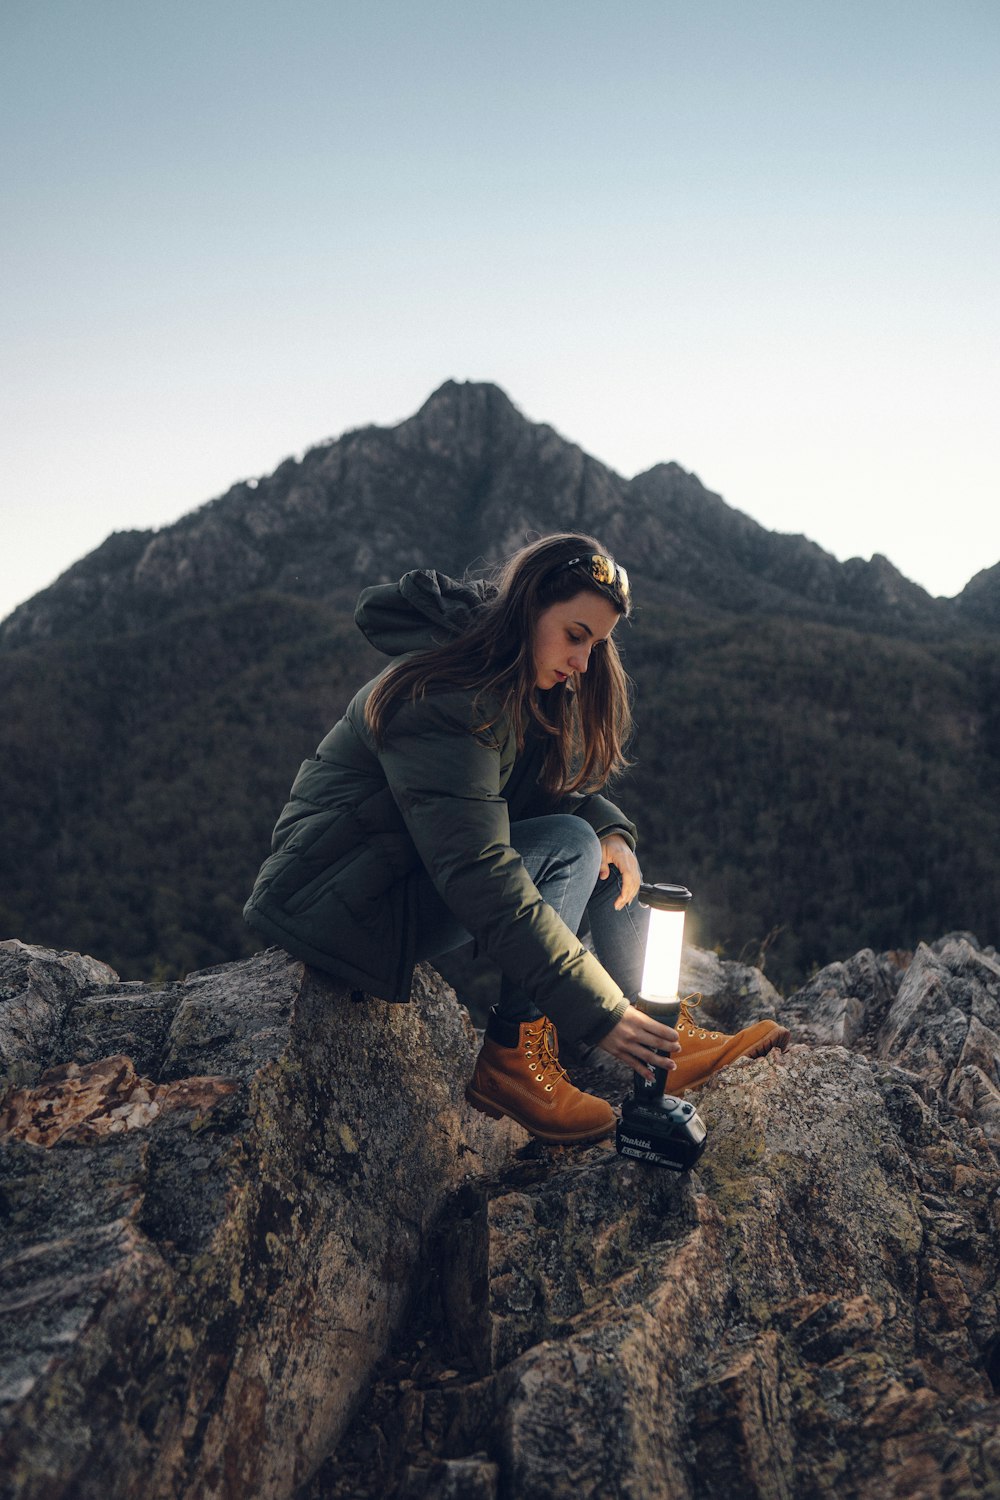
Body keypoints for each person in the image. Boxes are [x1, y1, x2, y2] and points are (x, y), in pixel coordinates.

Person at [244, 533, 788, 1144]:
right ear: (528, 608)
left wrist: (608, 825)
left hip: (391, 876)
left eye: (597, 644)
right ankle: (512, 1055)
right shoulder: (446, 695)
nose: (583, 661)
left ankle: (661, 1029)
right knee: (568, 846)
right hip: (341, 901)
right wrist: (600, 1016)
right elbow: (479, 871)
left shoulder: (507, 680)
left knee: (589, 842)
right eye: (575, 635)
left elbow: (504, 797)